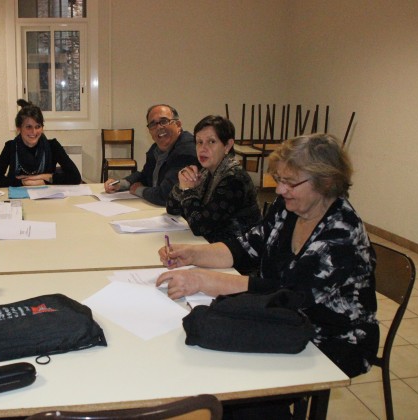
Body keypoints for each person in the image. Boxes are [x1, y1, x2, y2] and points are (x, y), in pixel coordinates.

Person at [157, 133, 378, 380]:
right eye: (279, 179)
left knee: (224, 372)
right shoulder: (289, 207)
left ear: (325, 182)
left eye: (290, 183)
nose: (280, 189)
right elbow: (249, 245)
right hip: (282, 320)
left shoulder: (342, 232)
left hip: (330, 339)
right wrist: (192, 254)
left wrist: (202, 281)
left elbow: (286, 294)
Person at [166, 115, 261, 244]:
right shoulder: (205, 172)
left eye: (211, 142)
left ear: (227, 145)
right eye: (199, 142)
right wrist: (182, 185)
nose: (202, 148)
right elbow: (172, 208)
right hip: (212, 245)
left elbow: (200, 226)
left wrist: (188, 190)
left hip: (237, 252)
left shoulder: (234, 179)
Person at [103, 104, 197, 206]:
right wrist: (121, 184)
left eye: (164, 121)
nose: (159, 127)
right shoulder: (156, 148)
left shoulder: (187, 150)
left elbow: (166, 195)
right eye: (153, 124)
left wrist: (139, 190)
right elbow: (145, 175)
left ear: (178, 125)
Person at [0, 99, 81, 188]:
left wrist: (43, 178)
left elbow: (75, 177)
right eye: (28, 127)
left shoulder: (53, 146)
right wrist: (23, 182)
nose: (34, 131)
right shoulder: (10, 147)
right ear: (19, 128)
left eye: (38, 126)